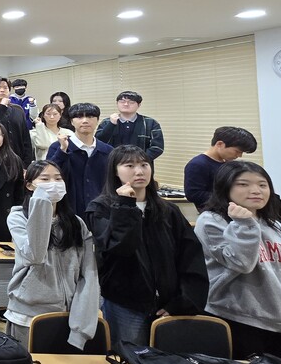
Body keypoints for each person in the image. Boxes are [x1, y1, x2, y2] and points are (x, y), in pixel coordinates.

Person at [86, 146, 208, 346]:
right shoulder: (100, 208)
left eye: (144, 165)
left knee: (170, 357)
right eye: (129, 166)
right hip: (126, 304)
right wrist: (126, 205)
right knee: (129, 357)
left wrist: (183, 301)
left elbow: (190, 258)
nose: (139, 171)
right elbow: (120, 248)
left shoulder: (168, 210)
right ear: (115, 171)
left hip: (169, 304)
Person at [5, 160, 100, 350]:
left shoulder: (76, 223)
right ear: (30, 185)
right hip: (27, 315)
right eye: (45, 179)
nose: (53, 184)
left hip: (69, 313)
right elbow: (35, 255)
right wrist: (41, 204)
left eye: (58, 179)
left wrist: (82, 322)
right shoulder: (18, 218)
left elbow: (89, 273)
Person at [195, 161, 281, 358]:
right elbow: (242, 263)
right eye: (243, 184)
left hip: (274, 317)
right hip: (237, 317)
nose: (256, 190)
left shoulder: (273, 223)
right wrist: (244, 224)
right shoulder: (211, 221)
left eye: (262, 185)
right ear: (225, 187)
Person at [46, 102, 113, 219]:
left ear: (97, 120)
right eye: (79, 117)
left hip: (100, 213)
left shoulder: (108, 151)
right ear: (72, 121)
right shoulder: (57, 147)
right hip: (68, 212)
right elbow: (49, 176)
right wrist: (62, 151)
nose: (85, 121)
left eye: (90, 116)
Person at [184, 126, 258, 212]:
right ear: (220, 144)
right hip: (215, 213)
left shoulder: (227, 163)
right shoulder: (198, 164)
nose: (239, 155)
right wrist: (229, 198)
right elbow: (194, 194)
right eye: (237, 151)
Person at [95, 91, 165, 159]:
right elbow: (98, 143)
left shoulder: (150, 123)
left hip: (140, 164)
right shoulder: (106, 122)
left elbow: (157, 147)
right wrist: (111, 125)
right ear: (117, 103)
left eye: (131, 102)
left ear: (139, 105)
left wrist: (138, 160)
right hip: (112, 164)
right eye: (122, 101)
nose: (126, 104)